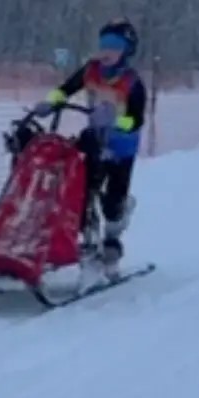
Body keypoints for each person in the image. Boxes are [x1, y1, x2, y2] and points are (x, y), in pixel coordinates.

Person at [31, 18, 147, 277]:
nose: (106, 52)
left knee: (112, 201)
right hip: (94, 139)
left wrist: (116, 121)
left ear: (127, 51)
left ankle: (113, 238)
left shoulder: (131, 82)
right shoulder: (90, 71)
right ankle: (88, 241)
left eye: (114, 46)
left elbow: (137, 119)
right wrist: (49, 103)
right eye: (104, 45)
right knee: (82, 190)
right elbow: (65, 90)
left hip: (121, 147)